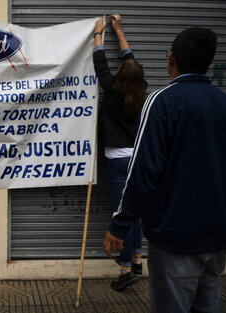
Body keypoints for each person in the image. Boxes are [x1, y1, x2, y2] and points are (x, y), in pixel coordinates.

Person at [103, 27, 226, 313]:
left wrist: (120, 224)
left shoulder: (162, 102)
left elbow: (143, 172)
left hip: (175, 237)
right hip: (217, 237)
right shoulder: (223, 104)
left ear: (171, 59)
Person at [93, 14, 146, 291]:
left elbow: (99, 62)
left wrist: (97, 34)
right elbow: (130, 61)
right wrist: (118, 29)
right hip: (136, 160)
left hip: (116, 162)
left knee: (122, 213)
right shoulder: (142, 92)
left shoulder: (113, 90)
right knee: (133, 211)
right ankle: (137, 258)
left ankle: (126, 269)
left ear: (120, 75)